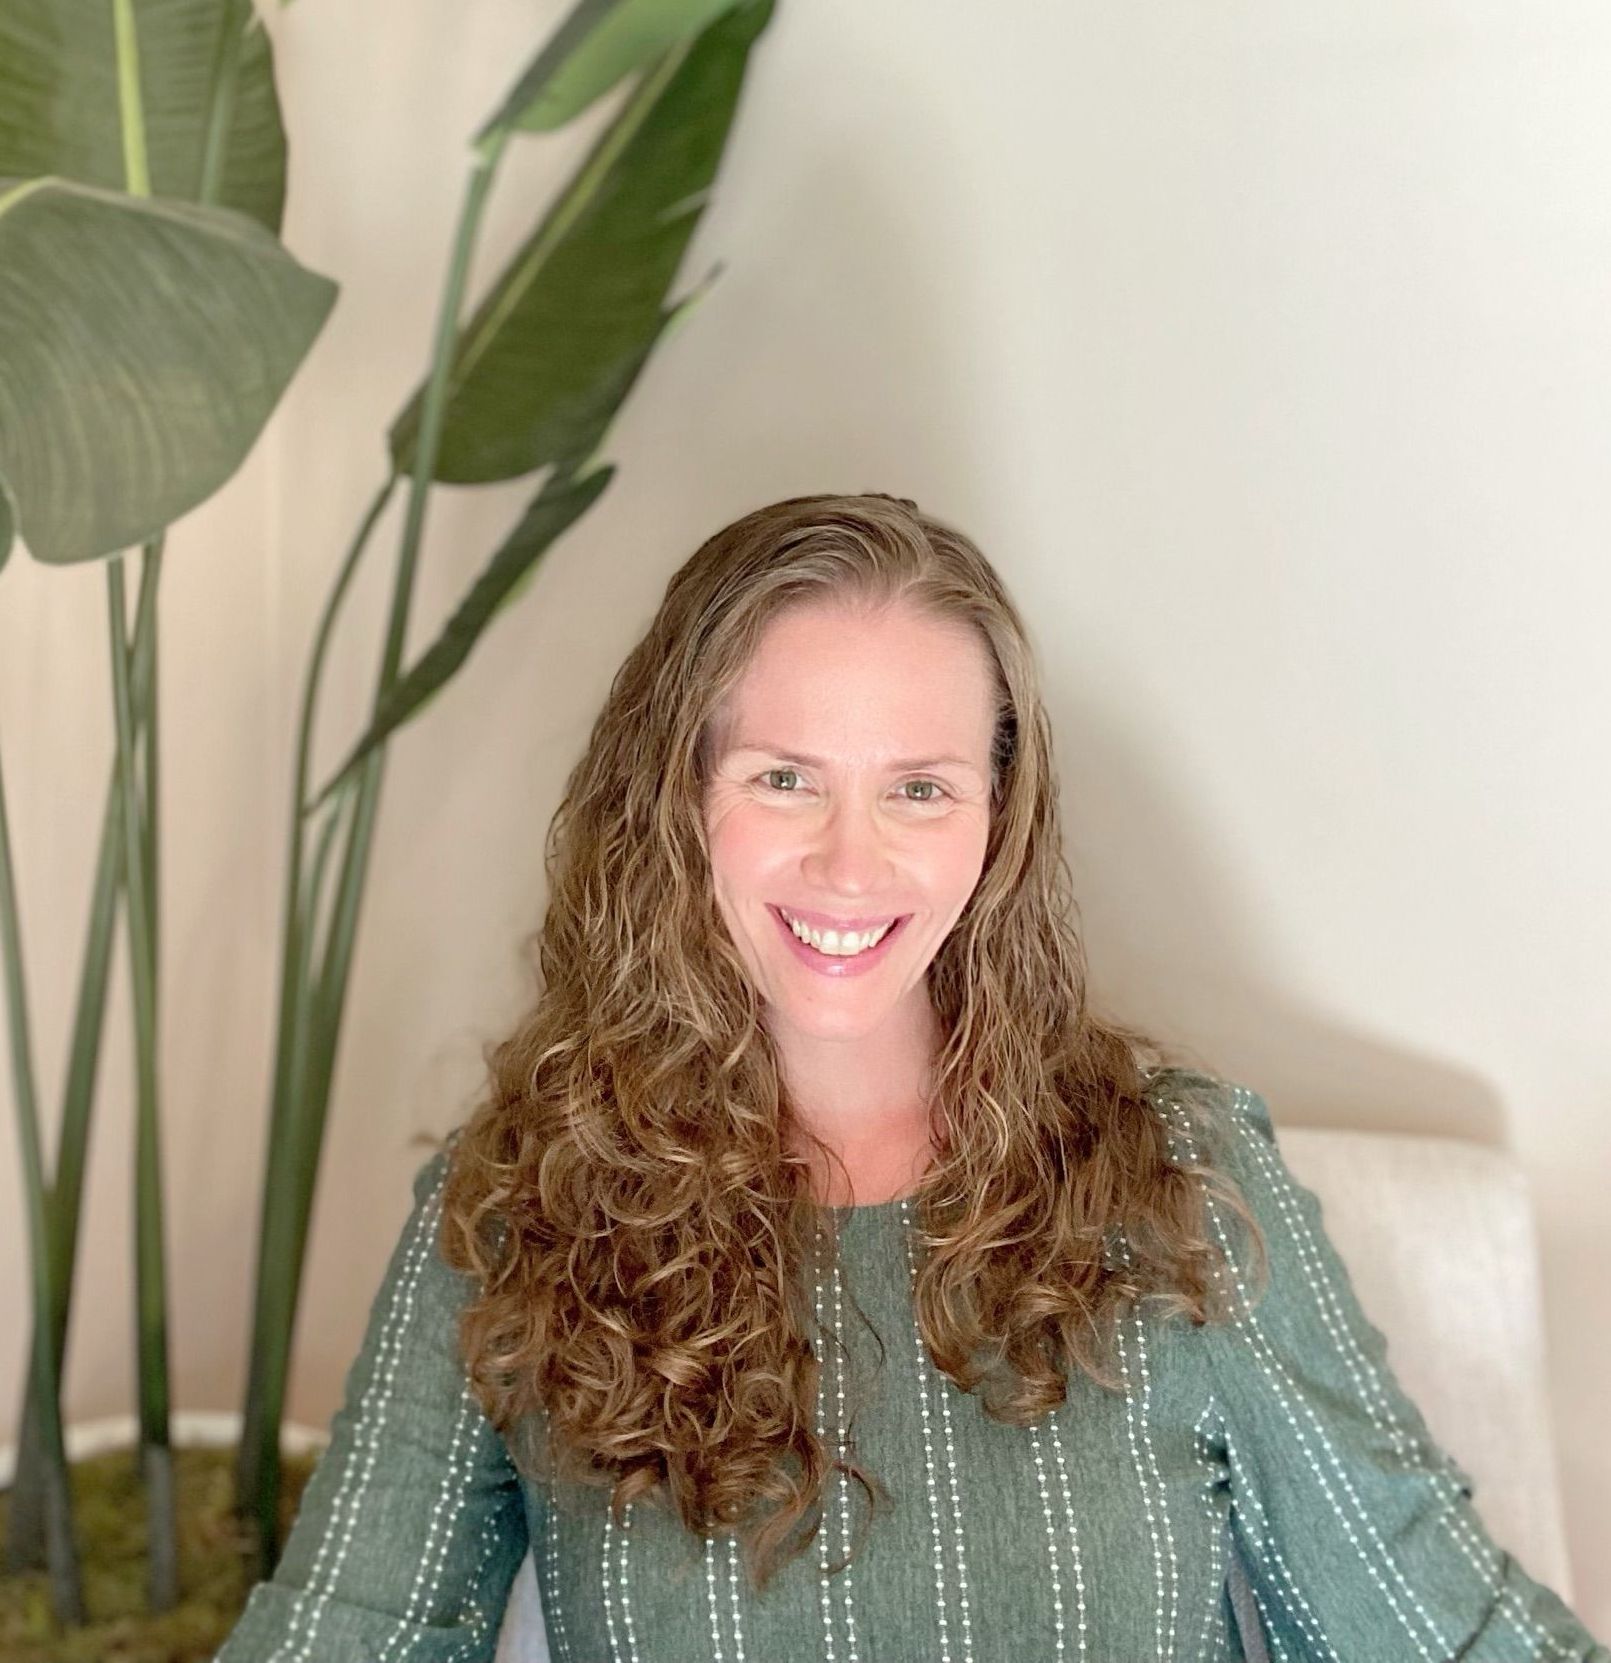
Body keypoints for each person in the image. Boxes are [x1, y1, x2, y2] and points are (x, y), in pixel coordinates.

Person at [214, 492, 1608, 1661]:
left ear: (998, 822)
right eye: (784, 778)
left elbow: (1440, 1628)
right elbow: (344, 1629)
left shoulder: (1175, 1179)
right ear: (679, 797)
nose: (850, 862)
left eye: (920, 788)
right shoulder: (520, 1205)